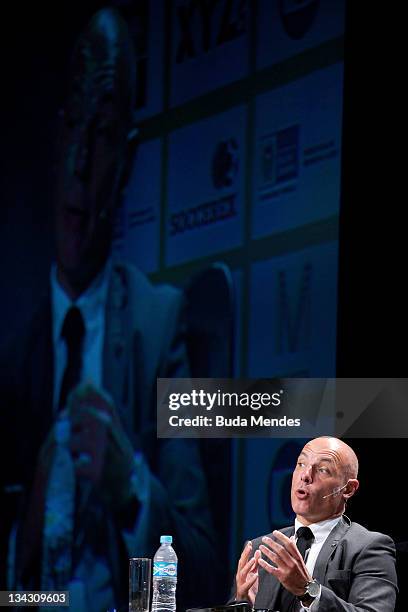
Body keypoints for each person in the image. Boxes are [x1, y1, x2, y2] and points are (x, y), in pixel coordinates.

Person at [0, 8, 216, 611]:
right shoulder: (12, 358)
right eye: (72, 129)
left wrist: (131, 496)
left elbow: (190, 584)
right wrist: (25, 547)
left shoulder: (160, 327)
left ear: (126, 159)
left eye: (98, 136)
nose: (78, 167)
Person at [233, 436, 398, 611]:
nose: (305, 476)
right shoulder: (260, 549)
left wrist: (308, 591)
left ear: (348, 489)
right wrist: (240, 604)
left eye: (323, 469)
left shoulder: (368, 547)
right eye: (301, 464)